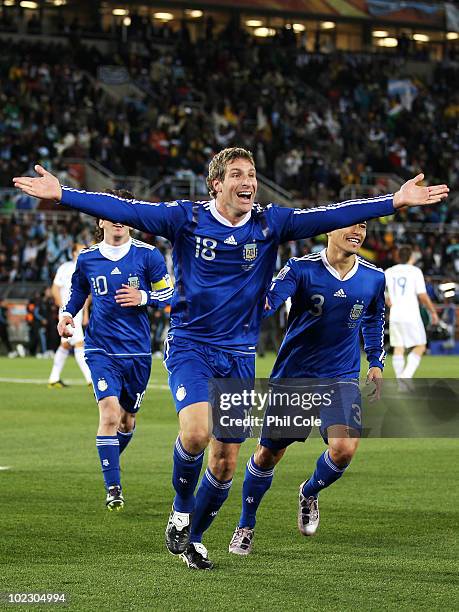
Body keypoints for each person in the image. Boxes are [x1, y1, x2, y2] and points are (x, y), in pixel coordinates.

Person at [13, 148, 449, 569]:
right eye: (238, 174)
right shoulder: (185, 218)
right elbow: (125, 209)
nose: (249, 183)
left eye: (253, 175)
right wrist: (63, 194)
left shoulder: (270, 223)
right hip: (191, 345)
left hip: (239, 355)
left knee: (225, 464)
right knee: (197, 432)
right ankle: (181, 511)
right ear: (216, 183)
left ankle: (196, 539)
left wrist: (394, 201)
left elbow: (329, 215)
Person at [229, 222, 386, 555]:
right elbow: (270, 302)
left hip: (340, 376)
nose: (358, 231)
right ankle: (246, 524)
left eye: (363, 225)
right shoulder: (301, 269)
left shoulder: (374, 277)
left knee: (344, 448)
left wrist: (375, 361)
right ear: (329, 229)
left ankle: (310, 491)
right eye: (351, 224)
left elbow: (374, 318)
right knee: (268, 454)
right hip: (295, 377)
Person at [58, 190, 173, 510]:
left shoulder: (148, 256)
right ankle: (113, 487)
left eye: (125, 215)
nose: (119, 220)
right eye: (112, 214)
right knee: (108, 414)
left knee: (127, 421)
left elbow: (171, 296)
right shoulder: (87, 258)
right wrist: (67, 314)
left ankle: (108, 456)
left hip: (137, 353)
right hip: (100, 349)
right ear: (100, 219)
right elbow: (78, 292)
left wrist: (145, 298)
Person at [385, 245, 439, 379]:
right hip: (411, 314)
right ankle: (405, 377)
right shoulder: (415, 271)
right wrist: (433, 311)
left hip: (395, 314)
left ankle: (400, 380)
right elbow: (422, 295)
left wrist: (386, 298)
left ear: (398, 257)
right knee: (421, 345)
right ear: (411, 257)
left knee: (398, 347)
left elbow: (379, 289)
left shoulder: (389, 271)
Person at [48, 243, 92, 388]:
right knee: (79, 343)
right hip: (68, 312)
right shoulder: (65, 268)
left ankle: (53, 378)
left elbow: (87, 294)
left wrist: (85, 312)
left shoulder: (86, 268)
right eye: (80, 250)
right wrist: (63, 310)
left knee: (65, 344)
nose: (82, 252)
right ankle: (90, 379)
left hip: (78, 311)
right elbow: (55, 289)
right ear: (73, 253)